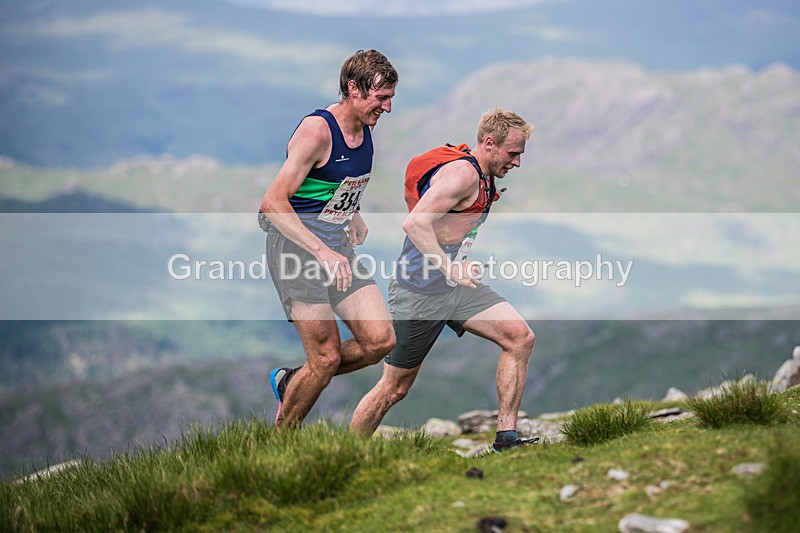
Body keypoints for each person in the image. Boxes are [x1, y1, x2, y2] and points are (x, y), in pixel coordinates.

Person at [350, 108, 537, 452]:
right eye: (513, 154)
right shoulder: (461, 176)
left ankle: (506, 439)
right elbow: (415, 223)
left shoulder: (484, 173)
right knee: (394, 388)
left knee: (520, 338)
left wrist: (456, 269)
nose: (517, 162)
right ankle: (344, 453)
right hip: (419, 292)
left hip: (457, 289)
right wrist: (450, 268)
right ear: (490, 143)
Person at [258, 50, 398, 428]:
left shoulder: (365, 125)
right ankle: (278, 447)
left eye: (390, 98)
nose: (386, 107)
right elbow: (273, 202)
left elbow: (332, 181)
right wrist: (321, 252)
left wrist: (353, 212)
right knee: (324, 358)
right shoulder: (317, 131)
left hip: (335, 245)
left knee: (380, 341)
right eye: (380, 97)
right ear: (353, 88)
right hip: (297, 249)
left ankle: (292, 380)